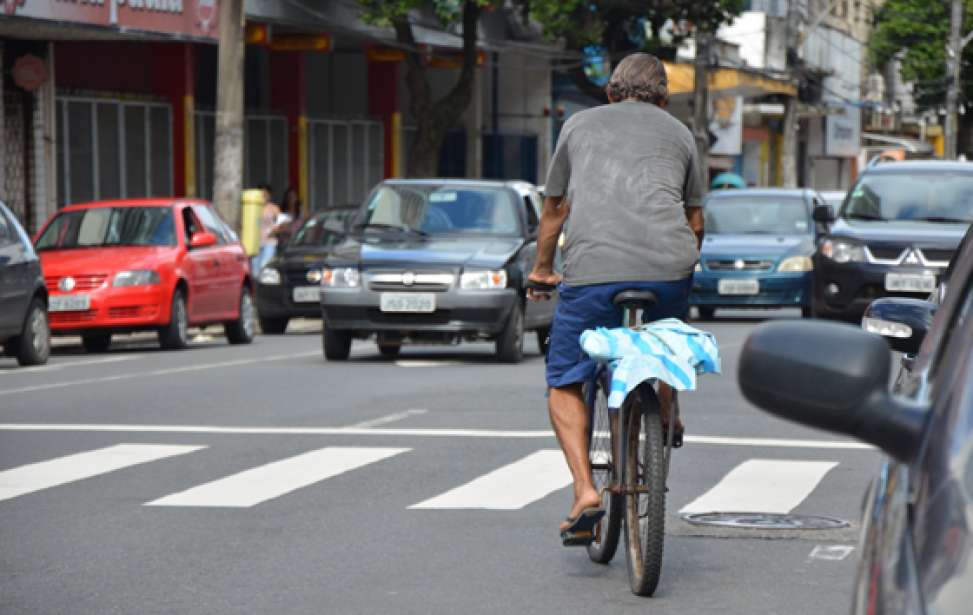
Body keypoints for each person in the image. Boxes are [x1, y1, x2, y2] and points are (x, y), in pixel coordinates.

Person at [526, 53, 705, 543]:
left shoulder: (578, 126)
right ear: (664, 98)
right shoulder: (682, 133)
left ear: (610, 91)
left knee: (565, 378)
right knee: (665, 333)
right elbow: (695, 221)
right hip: (670, 268)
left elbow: (555, 212)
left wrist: (543, 269)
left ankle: (585, 490)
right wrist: (684, 268)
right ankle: (666, 405)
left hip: (594, 273)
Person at [255, 184, 281, 272]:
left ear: (270, 195)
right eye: (261, 194)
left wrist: (275, 230)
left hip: (269, 242)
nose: (264, 196)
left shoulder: (274, 208)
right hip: (256, 242)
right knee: (255, 269)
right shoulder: (254, 207)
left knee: (265, 266)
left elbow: (280, 224)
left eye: (266, 194)